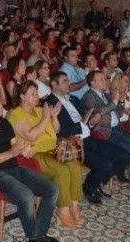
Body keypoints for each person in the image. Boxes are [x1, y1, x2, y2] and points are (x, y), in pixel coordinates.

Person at [0, 89, 59, 242]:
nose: (0, 105)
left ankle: (37, 237)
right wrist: (11, 153)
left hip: (14, 168)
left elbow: (15, 144)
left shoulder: (4, 123)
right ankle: (36, 239)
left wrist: (25, 149)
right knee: (26, 195)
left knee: (52, 188)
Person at [8, 81, 82, 227]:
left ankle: (74, 204)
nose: (37, 96)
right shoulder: (16, 114)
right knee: (62, 170)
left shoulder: (40, 110)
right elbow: (31, 136)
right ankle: (62, 209)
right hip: (33, 155)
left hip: (53, 150)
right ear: (22, 96)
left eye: (37, 93)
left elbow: (56, 130)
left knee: (74, 165)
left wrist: (54, 117)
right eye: (33, 94)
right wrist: (45, 118)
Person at [78, 71, 130, 176]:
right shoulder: (88, 97)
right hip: (106, 132)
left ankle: (120, 167)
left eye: (104, 79)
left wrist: (121, 101)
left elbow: (118, 114)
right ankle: (118, 169)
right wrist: (114, 102)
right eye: (101, 79)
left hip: (118, 128)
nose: (105, 81)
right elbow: (97, 113)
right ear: (92, 83)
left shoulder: (106, 95)